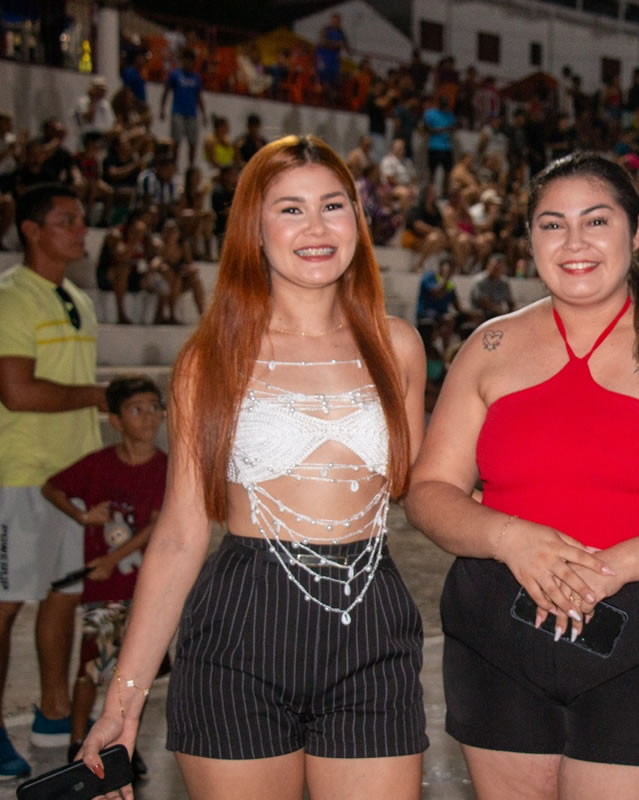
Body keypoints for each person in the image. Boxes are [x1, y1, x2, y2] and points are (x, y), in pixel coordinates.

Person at [406, 152, 639, 799]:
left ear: (637, 231)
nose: (574, 242)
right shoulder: (489, 346)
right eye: (553, 224)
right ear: (530, 240)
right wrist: (511, 539)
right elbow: (429, 492)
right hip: (495, 636)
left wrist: (612, 566)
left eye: (596, 221)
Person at [77, 135, 428, 799]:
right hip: (241, 626)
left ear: (357, 219)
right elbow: (180, 534)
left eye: (333, 205)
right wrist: (122, 704)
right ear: (254, 229)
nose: (317, 227)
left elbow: (421, 487)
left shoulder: (399, 346)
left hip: (371, 619)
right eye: (290, 209)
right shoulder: (211, 358)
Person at [0, 184, 107, 779]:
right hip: (19, 473)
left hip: (74, 478)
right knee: (6, 603)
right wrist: (98, 396)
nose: (81, 230)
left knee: (65, 596)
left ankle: (54, 715)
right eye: (67, 220)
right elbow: (16, 392)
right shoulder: (11, 298)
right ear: (32, 230)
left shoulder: (79, 299)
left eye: (82, 219)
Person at [41, 375, 168, 774]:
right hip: (106, 590)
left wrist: (115, 558)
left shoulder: (166, 468)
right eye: (136, 409)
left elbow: (158, 523)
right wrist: (82, 516)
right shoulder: (100, 465)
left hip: (146, 591)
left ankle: (125, 743)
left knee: (136, 673)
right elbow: (52, 488)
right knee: (92, 667)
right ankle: (79, 742)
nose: (148, 417)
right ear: (115, 420)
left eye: (155, 408)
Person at [160, 49, 206, 167]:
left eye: (190, 61)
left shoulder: (196, 78)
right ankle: (174, 166)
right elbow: (166, 91)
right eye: (185, 60)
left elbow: (198, 97)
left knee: (193, 142)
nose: (187, 63)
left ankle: (191, 167)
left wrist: (203, 114)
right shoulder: (175, 74)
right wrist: (162, 108)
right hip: (178, 112)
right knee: (176, 141)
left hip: (192, 113)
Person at [469, 251, 514, 320]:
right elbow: (483, 302)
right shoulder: (480, 281)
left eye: (500, 268)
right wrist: (498, 310)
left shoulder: (504, 282)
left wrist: (513, 312)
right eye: (495, 268)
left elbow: (510, 301)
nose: (497, 270)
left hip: (498, 313)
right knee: (479, 314)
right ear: (488, 266)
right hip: (482, 312)